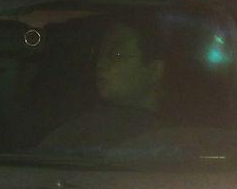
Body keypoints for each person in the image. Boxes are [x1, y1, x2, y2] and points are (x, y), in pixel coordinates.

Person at [40, 19, 172, 149]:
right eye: (99, 54)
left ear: (154, 70)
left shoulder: (178, 139)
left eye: (117, 54)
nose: (100, 64)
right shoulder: (81, 130)